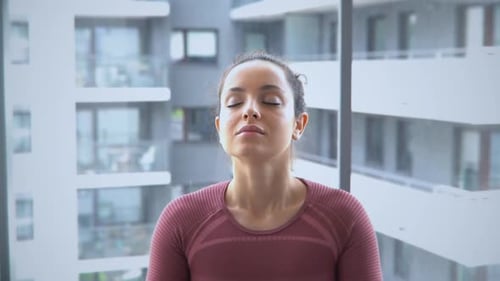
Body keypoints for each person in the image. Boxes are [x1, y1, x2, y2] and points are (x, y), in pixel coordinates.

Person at [147, 51, 382, 281]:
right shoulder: (181, 221)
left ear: (299, 124)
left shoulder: (345, 217)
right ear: (219, 128)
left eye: (271, 101)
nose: (250, 110)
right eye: (234, 103)